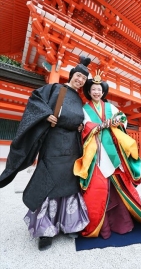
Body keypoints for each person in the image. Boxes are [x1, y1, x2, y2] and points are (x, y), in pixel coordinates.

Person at [0, 56, 91, 250]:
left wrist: (80, 126)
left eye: (84, 79)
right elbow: (35, 100)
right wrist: (45, 115)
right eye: (78, 76)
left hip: (72, 147)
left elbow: (79, 120)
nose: (80, 80)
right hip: (53, 143)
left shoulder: (79, 98)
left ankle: (69, 224)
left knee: (69, 184)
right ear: (72, 76)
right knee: (49, 182)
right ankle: (44, 231)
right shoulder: (56, 89)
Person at [73, 73, 141, 239]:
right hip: (95, 153)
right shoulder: (84, 109)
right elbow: (83, 127)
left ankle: (122, 221)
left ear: (103, 92)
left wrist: (117, 122)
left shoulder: (110, 107)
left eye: (99, 89)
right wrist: (98, 126)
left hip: (112, 151)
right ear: (88, 91)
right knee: (97, 189)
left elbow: (123, 118)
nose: (96, 92)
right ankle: (100, 225)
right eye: (93, 89)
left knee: (120, 187)